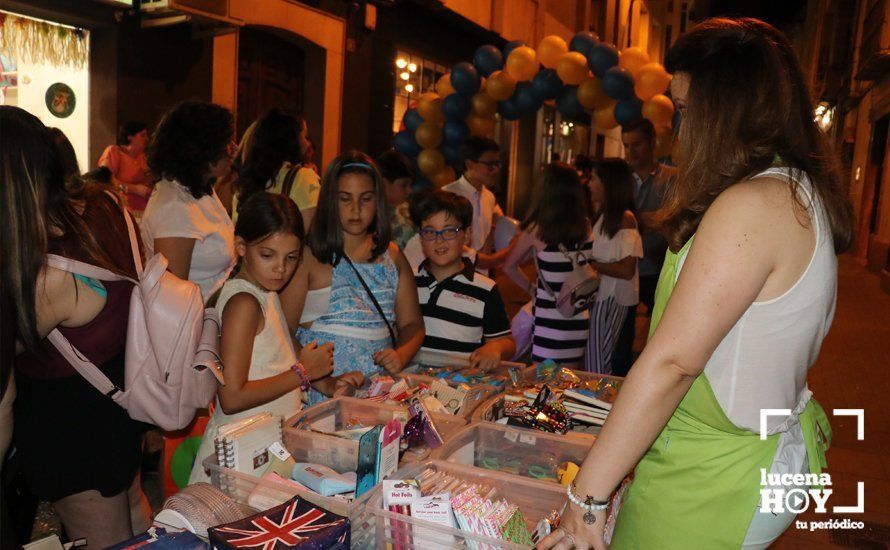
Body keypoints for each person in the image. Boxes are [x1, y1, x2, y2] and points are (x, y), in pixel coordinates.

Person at [537, 18, 852, 550]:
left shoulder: (755, 204)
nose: (678, 130)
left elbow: (674, 363)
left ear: (722, 106)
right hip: (740, 455)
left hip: (715, 475)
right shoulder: (792, 191)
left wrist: (586, 497)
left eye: (683, 109)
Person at [4, 106, 151, 547]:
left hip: (73, 433)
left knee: (105, 541)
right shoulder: (103, 208)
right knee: (135, 520)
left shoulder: (49, 274)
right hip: (119, 406)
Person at [188, 192, 339, 483]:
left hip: (261, 450)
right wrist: (303, 373)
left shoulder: (264, 292)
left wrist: (327, 381)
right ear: (241, 246)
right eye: (268, 255)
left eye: (291, 257)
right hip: (239, 460)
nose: (281, 268)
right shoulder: (244, 302)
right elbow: (231, 396)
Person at [279, 151, 425, 403]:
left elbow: (412, 324)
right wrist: (319, 380)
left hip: (377, 395)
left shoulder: (392, 257)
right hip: (323, 396)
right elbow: (282, 329)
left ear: (378, 201)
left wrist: (401, 355)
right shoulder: (311, 258)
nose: (355, 209)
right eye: (345, 199)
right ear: (329, 202)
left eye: (365, 199)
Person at [141, 101, 237, 302]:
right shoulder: (175, 207)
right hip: (196, 325)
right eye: (226, 143)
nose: (233, 149)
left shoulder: (198, 189)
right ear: (204, 151)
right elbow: (172, 300)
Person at [411, 190, 515, 369]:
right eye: (430, 232)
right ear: (420, 237)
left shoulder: (485, 289)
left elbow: (507, 342)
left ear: (466, 235)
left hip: (460, 387)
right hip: (410, 385)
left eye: (449, 231)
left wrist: (495, 347)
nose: (439, 240)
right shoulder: (408, 281)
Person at [504, 163, 594, 367]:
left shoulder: (537, 229)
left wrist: (530, 288)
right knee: (568, 380)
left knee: (543, 382)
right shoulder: (586, 226)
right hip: (578, 317)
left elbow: (508, 266)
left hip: (550, 319)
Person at [583, 159, 642, 375]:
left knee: (597, 360)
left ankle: (595, 403)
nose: (589, 184)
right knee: (597, 358)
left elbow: (627, 269)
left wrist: (591, 264)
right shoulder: (603, 216)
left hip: (610, 297)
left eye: (594, 179)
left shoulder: (624, 219)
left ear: (608, 183)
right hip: (600, 296)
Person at [233, 109, 320, 230]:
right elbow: (307, 234)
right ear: (292, 141)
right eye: (305, 137)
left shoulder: (245, 183)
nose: (308, 144)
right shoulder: (303, 178)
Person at [442, 136, 510, 271]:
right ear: (469, 164)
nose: (496, 170)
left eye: (498, 164)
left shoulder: (489, 197)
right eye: (490, 165)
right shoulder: (448, 195)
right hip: (455, 276)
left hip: (482, 278)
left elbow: (495, 223)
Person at [99, 121, 153, 217]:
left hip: (145, 211)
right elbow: (107, 180)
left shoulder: (144, 157)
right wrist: (136, 189)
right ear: (130, 137)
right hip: (122, 211)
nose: (146, 139)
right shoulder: (114, 152)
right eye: (142, 135)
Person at [377, 149, 416, 249]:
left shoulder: (410, 213)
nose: (410, 190)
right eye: (404, 185)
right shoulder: (370, 215)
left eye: (410, 185)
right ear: (384, 184)